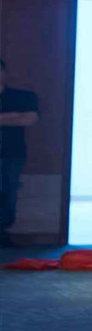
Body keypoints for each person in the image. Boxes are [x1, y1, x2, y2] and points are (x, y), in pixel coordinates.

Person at [0, 58, 39, 247]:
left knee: (8, 191)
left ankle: (3, 230)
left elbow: (29, 119)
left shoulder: (22, 96)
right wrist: (12, 116)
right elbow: (19, 118)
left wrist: (17, 117)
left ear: (4, 72)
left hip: (12, 153)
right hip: (12, 153)